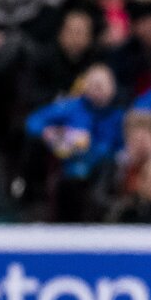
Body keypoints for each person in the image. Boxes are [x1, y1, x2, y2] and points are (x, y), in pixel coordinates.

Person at [24, 63, 123, 220]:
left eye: (103, 85)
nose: (99, 90)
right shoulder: (70, 107)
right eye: (94, 85)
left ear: (113, 88)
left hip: (103, 173)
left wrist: (96, 149)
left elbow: (121, 149)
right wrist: (53, 133)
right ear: (85, 86)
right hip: (69, 170)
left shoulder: (120, 116)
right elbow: (33, 122)